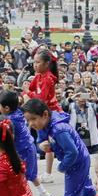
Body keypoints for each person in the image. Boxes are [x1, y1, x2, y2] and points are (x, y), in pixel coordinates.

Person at [23, 99, 97, 196]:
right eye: (28, 120)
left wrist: (62, 167)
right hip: (78, 160)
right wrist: (43, 146)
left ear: (45, 115)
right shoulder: (44, 126)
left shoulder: (59, 129)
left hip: (76, 163)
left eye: (33, 119)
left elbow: (72, 152)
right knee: (87, 190)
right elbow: (41, 143)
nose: (31, 124)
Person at [0, 91, 51, 196]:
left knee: (22, 176)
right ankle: (43, 192)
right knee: (30, 174)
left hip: (22, 150)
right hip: (28, 146)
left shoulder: (9, 120)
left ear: (6, 108)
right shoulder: (18, 112)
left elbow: (10, 138)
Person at [25, 49, 62, 183]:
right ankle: (48, 173)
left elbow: (42, 98)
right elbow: (32, 88)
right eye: (34, 62)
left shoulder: (48, 79)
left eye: (38, 62)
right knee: (46, 144)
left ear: (47, 64)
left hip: (50, 114)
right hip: (42, 113)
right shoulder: (39, 76)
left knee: (48, 143)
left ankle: (50, 171)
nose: (35, 65)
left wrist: (28, 94)